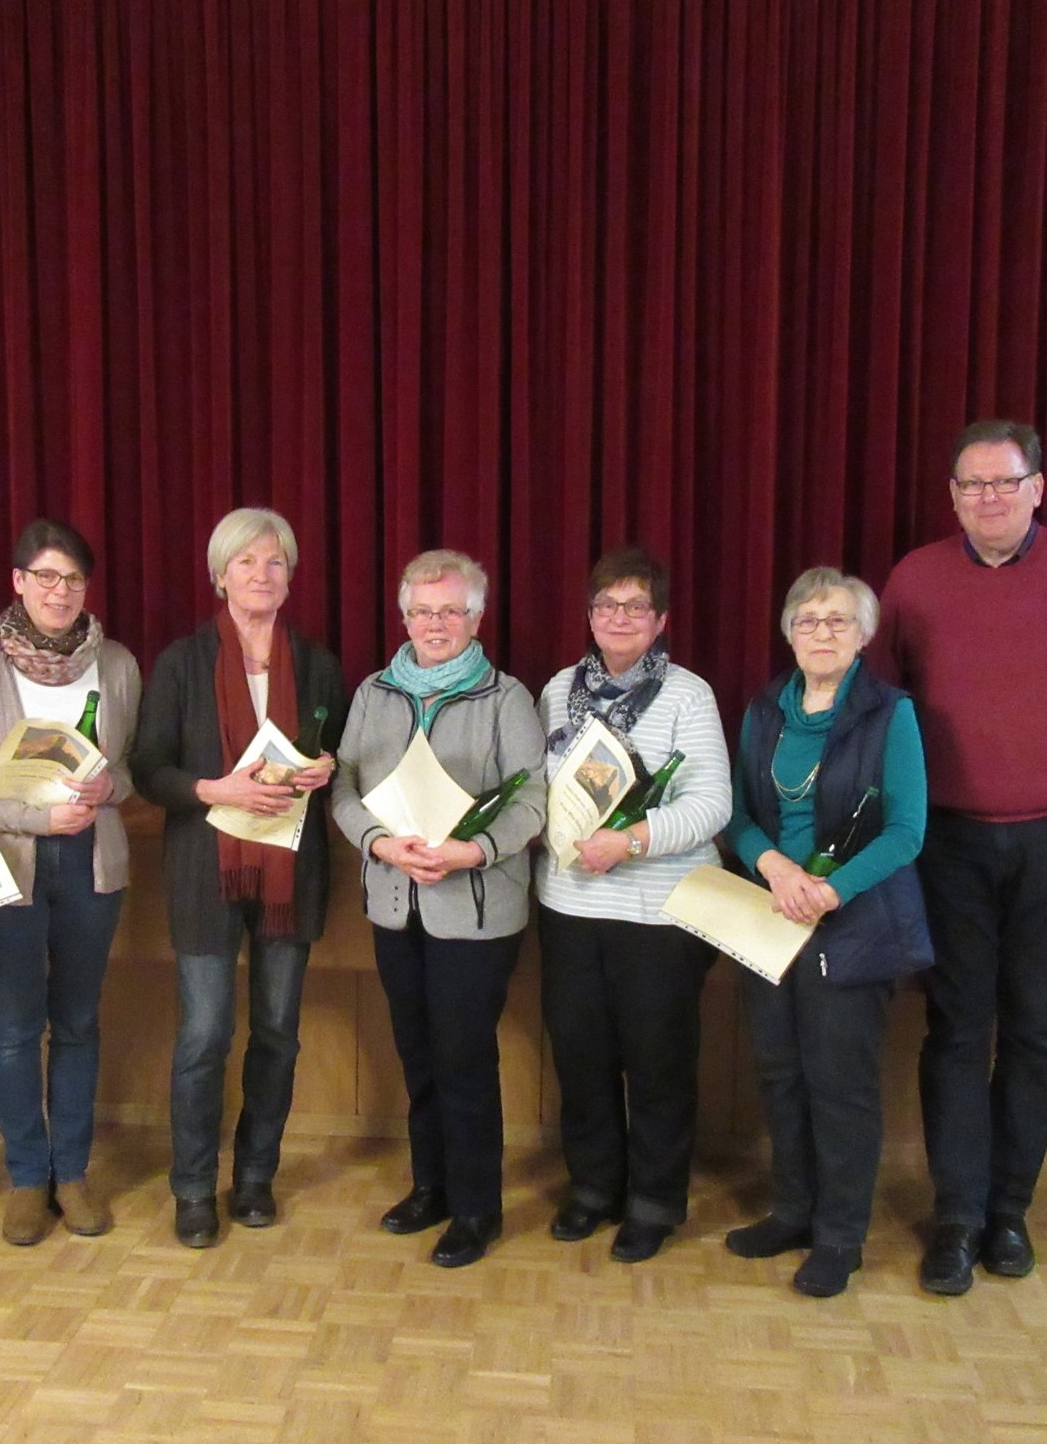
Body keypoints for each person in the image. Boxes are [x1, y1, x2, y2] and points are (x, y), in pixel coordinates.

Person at [874, 418, 1047, 1295]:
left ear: (1038, 487)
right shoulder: (915, 580)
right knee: (956, 1031)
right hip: (950, 842)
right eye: (971, 486)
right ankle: (955, 1217)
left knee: (1034, 1031)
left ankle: (1010, 1213)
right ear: (951, 496)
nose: (987, 499)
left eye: (1004, 483)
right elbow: (876, 711)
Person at [129, 508, 344, 1248]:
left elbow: (336, 756)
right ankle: (193, 1188)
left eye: (275, 562)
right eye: (247, 562)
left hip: (291, 870)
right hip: (204, 872)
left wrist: (328, 768)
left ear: (290, 578)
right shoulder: (181, 663)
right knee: (205, 1035)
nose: (262, 574)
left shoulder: (316, 663)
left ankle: (254, 1178)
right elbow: (147, 770)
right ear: (220, 576)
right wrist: (215, 789)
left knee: (279, 1033)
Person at [332, 550, 546, 1268]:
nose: (435, 625)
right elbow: (343, 789)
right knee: (417, 1054)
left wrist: (472, 852)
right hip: (395, 902)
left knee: (463, 1059)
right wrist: (379, 845)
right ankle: (430, 1187)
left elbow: (532, 803)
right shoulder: (373, 692)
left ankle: (477, 1208)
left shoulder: (506, 698)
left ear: (477, 618)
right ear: (403, 617)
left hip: (475, 911)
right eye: (422, 611)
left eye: (450, 611)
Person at [0, 519, 141, 1246]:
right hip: (9, 865)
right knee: (17, 1027)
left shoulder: (115, 663)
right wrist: (32, 817)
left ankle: (73, 1173)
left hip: (93, 864)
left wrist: (111, 786)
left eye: (74, 579)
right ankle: (27, 1178)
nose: (61, 592)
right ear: (18, 582)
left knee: (79, 1023)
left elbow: (132, 769)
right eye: (46, 577)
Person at [726, 567, 928, 1297]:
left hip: (855, 924)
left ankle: (841, 1236)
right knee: (781, 1075)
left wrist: (831, 890)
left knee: (840, 1085)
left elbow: (908, 831)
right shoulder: (763, 710)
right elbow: (738, 813)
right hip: (771, 914)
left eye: (838, 621)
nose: (821, 633)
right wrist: (776, 867)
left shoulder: (889, 713)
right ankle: (793, 1211)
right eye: (808, 620)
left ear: (864, 634)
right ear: (788, 632)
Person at [534, 547, 730, 1264]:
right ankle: (593, 1190)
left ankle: (654, 1202)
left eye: (635, 608)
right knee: (581, 1059)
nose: (619, 618)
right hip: (570, 906)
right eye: (606, 606)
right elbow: (540, 790)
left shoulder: (688, 695)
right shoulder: (558, 690)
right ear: (589, 616)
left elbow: (712, 803)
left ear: (660, 621)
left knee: (657, 1063)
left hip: (658, 913)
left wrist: (633, 841)